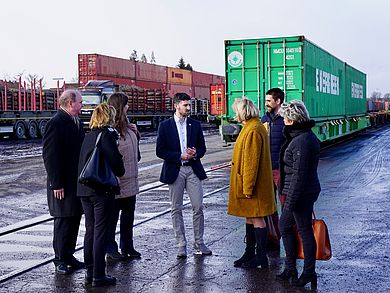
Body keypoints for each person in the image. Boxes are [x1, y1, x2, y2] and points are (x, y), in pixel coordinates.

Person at [156, 92, 211, 258]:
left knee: (198, 206)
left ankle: (199, 242)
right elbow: (160, 150)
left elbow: (202, 148)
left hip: (193, 169)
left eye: (189, 105)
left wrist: (195, 153)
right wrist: (179, 156)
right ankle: (181, 244)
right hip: (175, 169)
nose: (188, 108)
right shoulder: (165, 126)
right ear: (176, 105)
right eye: (185, 105)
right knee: (176, 208)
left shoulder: (194, 124)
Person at [77, 103, 125, 287]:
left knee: (90, 230)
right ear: (109, 117)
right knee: (101, 231)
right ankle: (99, 275)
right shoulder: (106, 135)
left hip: (84, 189)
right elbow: (117, 165)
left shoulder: (88, 136)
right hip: (101, 190)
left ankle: (90, 271)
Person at [227, 97, 277, 268]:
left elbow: (251, 162)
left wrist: (247, 187)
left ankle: (261, 257)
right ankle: (250, 253)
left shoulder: (253, 129)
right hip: (252, 184)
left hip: (253, 186)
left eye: (236, 111)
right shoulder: (252, 126)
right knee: (250, 217)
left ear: (243, 111)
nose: (235, 114)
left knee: (257, 218)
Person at [276, 100, 321, 289]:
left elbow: (299, 176)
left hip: (301, 193)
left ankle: (308, 272)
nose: (284, 119)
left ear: (293, 119)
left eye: (286, 116)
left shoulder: (302, 141)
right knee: (288, 227)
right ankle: (291, 268)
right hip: (297, 191)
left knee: (302, 230)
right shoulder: (300, 136)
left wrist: (290, 203)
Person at [42, 89, 85, 275]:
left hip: (75, 182)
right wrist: (56, 183)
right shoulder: (56, 123)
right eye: (80, 102)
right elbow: (50, 156)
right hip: (62, 183)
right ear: (70, 103)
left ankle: (69, 255)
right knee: (63, 220)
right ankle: (59, 258)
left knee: (74, 218)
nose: (82, 105)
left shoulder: (77, 122)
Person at [106, 93, 141, 261]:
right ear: (120, 107)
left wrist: (137, 136)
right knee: (112, 219)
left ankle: (127, 246)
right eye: (126, 105)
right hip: (117, 182)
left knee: (128, 218)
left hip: (131, 181)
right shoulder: (109, 131)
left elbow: (137, 155)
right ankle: (111, 249)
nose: (128, 107)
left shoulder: (130, 128)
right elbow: (108, 157)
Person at [261, 87, 286, 250]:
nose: (266, 103)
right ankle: (274, 239)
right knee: (269, 206)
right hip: (267, 169)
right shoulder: (264, 119)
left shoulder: (286, 119)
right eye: (265, 100)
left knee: (286, 206)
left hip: (282, 170)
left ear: (278, 102)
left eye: (269, 101)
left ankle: (291, 241)